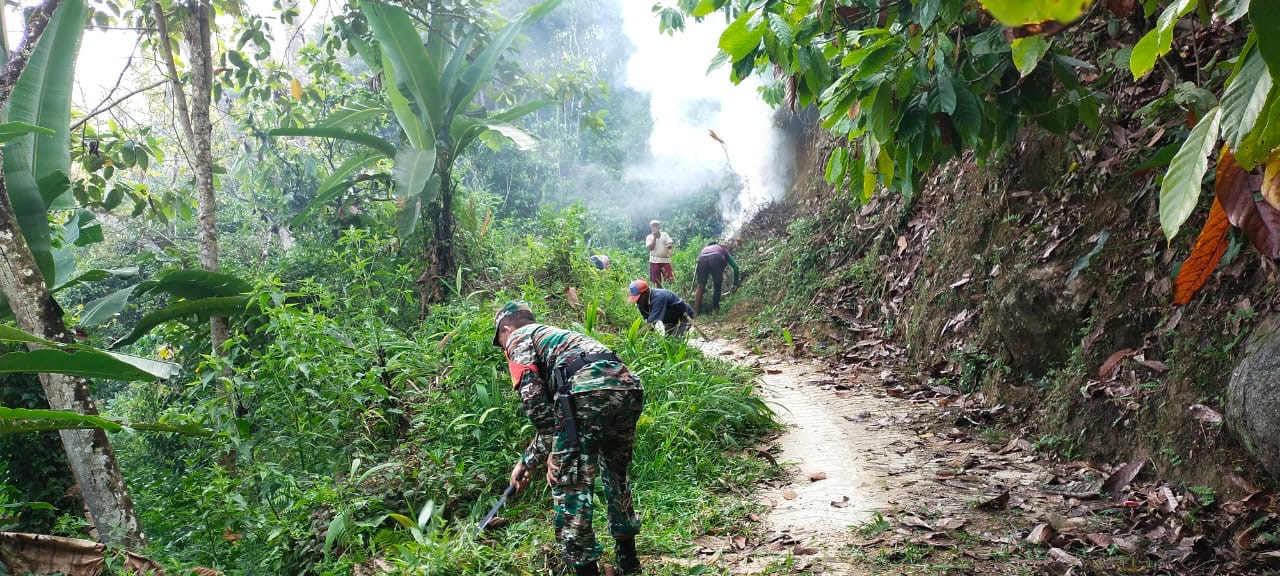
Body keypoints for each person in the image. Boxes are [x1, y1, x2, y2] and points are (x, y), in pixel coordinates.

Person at [492, 301, 644, 576]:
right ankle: (629, 562)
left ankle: (587, 570)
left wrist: (531, 460)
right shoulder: (556, 335)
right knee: (616, 476)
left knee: (569, 484)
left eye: (500, 341)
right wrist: (534, 459)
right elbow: (553, 424)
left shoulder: (518, 338)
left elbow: (537, 405)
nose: (503, 347)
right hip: (627, 386)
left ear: (506, 329)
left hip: (586, 391)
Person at [628, 279, 694, 337]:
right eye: (636, 299)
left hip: (684, 315)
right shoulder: (641, 304)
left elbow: (651, 324)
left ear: (647, 292)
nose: (637, 301)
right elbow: (650, 323)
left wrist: (634, 336)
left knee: (676, 340)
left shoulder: (659, 297)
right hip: (668, 320)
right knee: (666, 340)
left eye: (639, 298)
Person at [694, 241, 740, 315]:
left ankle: (696, 312)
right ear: (716, 244)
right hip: (716, 257)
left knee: (700, 287)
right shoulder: (721, 248)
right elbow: (735, 267)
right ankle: (715, 310)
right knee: (717, 284)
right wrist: (735, 283)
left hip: (702, 259)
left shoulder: (703, 250)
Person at [644, 220, 674, 288]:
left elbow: (670, 243)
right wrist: (654, 237)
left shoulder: (664, 235)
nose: (655, 228)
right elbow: (650, 248)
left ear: (659, 226)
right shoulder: (649, 237)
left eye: (656, 226)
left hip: (665, 260)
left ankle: (671, 291)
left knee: (670, 278)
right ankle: (660, 292)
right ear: (651, 228)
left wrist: (669, 245)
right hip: (654, 261)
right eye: (653, 226)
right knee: (657, 281)